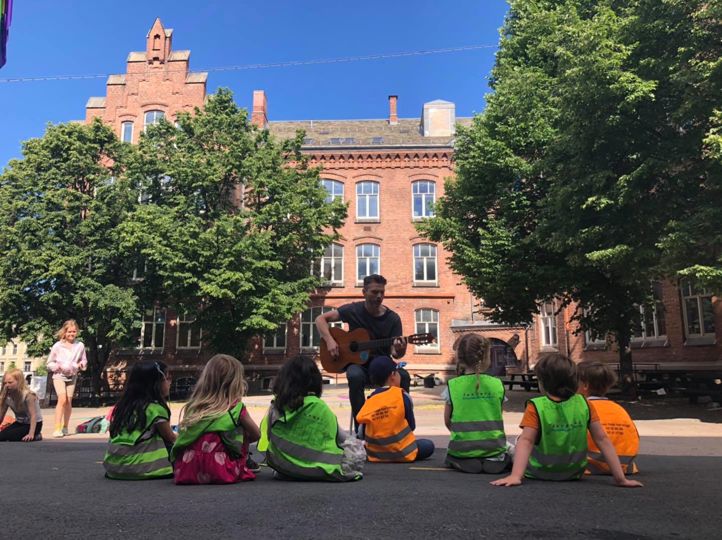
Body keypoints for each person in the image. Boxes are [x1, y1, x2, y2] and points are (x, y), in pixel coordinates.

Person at [491, 353, 642, 488]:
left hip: (540, 471)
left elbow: (527, 442)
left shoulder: (536, 406)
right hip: (573, 472)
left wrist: (515, 476)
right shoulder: (584, 404)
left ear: (543, 383)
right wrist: (620, 479)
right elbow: (602, 439)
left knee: (521, 439)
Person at [316, 274, 409, 425]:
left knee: (404, 376)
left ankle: (401, 424)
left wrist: (400, 349)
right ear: (364, 292)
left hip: (381, 366)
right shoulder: (353, 310)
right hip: (358, 364)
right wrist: (330, 341)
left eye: (382, 292)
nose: (379, 296)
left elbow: (395, 354)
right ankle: (361, 427)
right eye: (374, 292)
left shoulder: (393, 319)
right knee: (354, 375)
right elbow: (320, 319)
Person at [265, 355, 364, 481]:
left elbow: (270, 437)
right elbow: (341, 438)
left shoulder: (276, 406)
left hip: (283, 467)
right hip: (322, 469)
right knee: (356, 447)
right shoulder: (318, 406)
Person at [171, 354, 261, 485]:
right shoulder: (236, 408)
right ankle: (244, 462)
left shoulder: (193, 407)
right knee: (240, 430)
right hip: (222, 469)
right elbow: (256, 434)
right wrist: (239, 438)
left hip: (187, 467)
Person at [443, 334, 511, 473]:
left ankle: (461, 459)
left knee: (452, 455)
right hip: (493, 447)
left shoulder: (452, 386)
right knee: (507, 452)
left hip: (462, 448)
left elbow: (447, 421)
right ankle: (493, 460)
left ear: (459, 358)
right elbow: (497, 414)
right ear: (486, 357)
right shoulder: (497, 385)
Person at [104, 361, 176, 480]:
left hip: (114, 466)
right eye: (167, 379)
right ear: (155, 383)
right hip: (142, 467)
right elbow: (171, 438)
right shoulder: (155, 410)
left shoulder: (123, 407)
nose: (170, 383)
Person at [356, 356, 434, 462]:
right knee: (428, 445)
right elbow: (411, 426)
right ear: (393, 375)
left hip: (376, 454)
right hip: (403, 451)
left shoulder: (370, 400)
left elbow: (361, 433)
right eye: (398, 372)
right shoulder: (402, 396)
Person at [577, 361, 640, 475]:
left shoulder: (581, 408)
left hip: (592, 465)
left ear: (585, 385)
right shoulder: (619, 409)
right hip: (625, 465)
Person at [46, 319, 87, 437]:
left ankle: (65, 427)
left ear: (77, 332)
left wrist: (81, 365)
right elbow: (49, 363)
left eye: (74, 332)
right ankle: (57, 428)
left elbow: (83, 360)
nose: (71, 334)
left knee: (68, 402)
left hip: (72, 376)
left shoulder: (80, 345)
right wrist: (57, 366)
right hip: (59, 375)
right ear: (64, 332)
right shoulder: (58, 346)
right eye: (69, 332)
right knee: (62, 399)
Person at [0, 368, 43, 442]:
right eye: (5, 383)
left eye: (10, 382)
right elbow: (1, 414)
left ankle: (37, 435)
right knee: (1, 436)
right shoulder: (6, 396)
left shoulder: (28, 395)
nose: (7, 385)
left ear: (19, 382)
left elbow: (33, 416)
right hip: (20, 423)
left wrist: (31, 434)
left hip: (34, 424)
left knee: (11, 437)